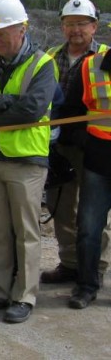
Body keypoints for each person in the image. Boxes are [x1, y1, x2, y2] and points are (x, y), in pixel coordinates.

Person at [0, 0, 58, 324]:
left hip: (26, 160)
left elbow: (31, 111)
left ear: (22, 29)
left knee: (26, 230)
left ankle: (25, 295)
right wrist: (7, 104)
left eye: (4, 31)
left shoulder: (43, 64)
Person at [42, 0, 111, 285]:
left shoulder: (105, 57)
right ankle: (70, 263)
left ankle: (95, 266)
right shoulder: (51, 55)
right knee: (62, 206)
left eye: (82, 23)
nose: (76, 30)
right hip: (59, 142)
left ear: (94, 26)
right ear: (62, 27)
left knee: (93, 212)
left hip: (96, 146)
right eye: (70, 24)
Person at [62, 49, 111, 309]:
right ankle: (86, 286)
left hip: (98, 160)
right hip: (99, 162)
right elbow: (71, 112)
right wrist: (85, 141)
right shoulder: (91, 66)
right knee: (89, 229)